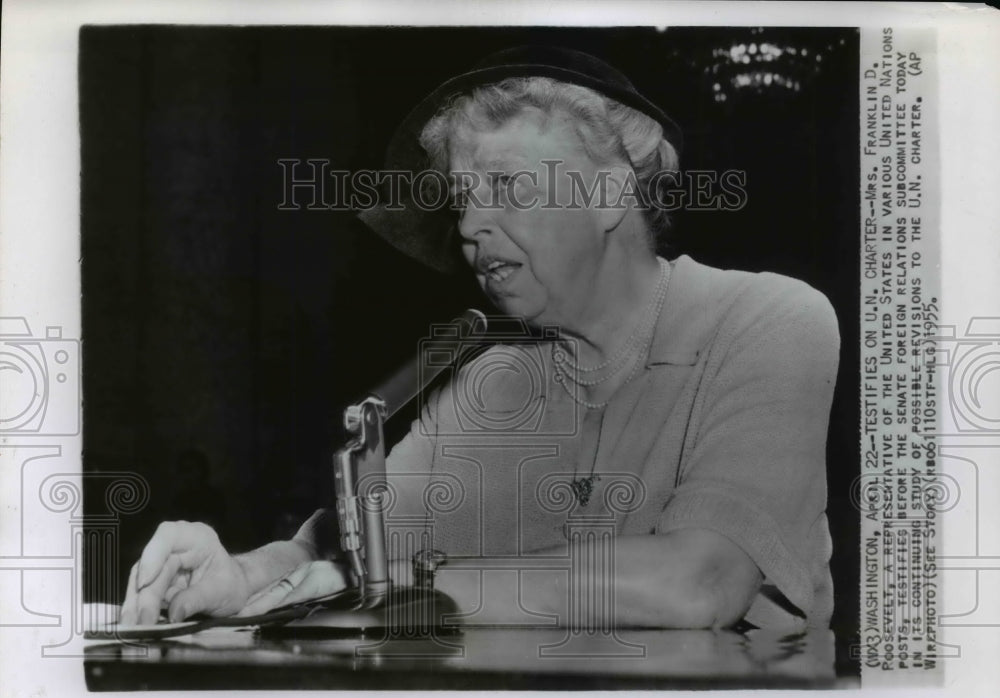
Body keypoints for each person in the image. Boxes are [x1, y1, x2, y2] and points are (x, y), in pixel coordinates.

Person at [120, 46, 839, 633]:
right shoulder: (485, 383)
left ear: (613, 191)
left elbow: (700, 583)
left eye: (509, 188)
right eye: (464, 199)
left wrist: (408, 589)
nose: (467, 228)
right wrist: (240, 574)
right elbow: (346, 555)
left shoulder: (770, 320)